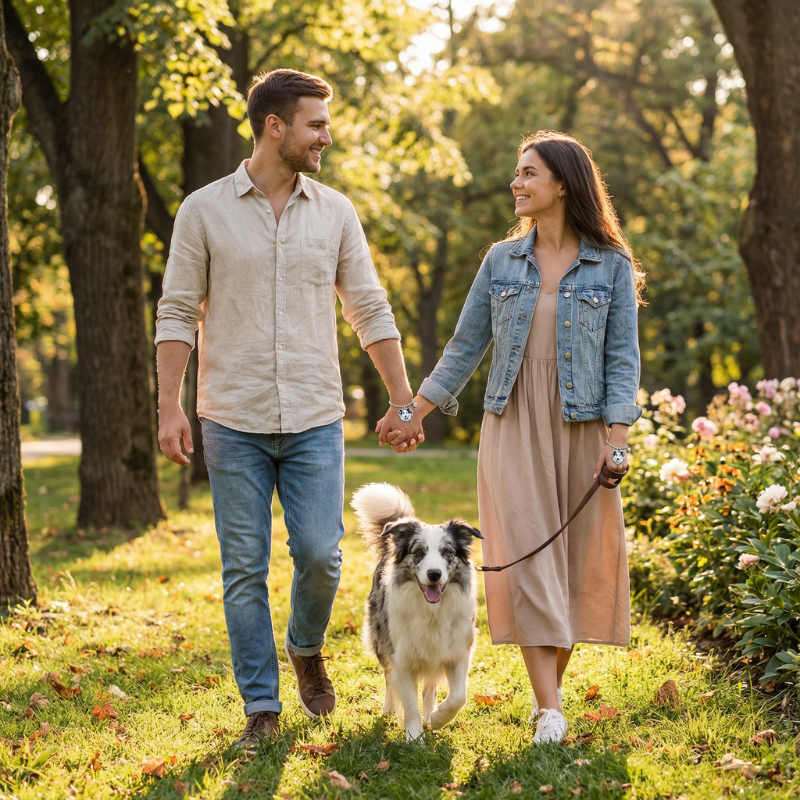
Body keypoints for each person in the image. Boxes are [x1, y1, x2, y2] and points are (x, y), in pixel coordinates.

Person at [156, 68, 423, 749]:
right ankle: (261, 707)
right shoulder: (203, 210)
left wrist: (402, 399)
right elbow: (178, 311)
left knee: (320, 555)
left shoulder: (335, 212)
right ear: (275, 126)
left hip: (312, 416)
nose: (325, 137)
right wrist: (170, 406)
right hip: (232, 417)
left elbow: (368, 306)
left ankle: (306, 645)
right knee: (242, 567)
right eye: (316, 124)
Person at [379, 130, 645, 743]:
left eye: (528, 173)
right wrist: (416, 409)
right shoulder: (501, 261)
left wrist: (618, 436)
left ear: (563, 184)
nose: (516, 183)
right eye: (516, 172)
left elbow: (622, 360)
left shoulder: (612, 265)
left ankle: (547, 698)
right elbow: (465, 346)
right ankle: (549, 707)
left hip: (583, 429)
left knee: (573, 567)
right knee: (527, 562)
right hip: (513, 422)